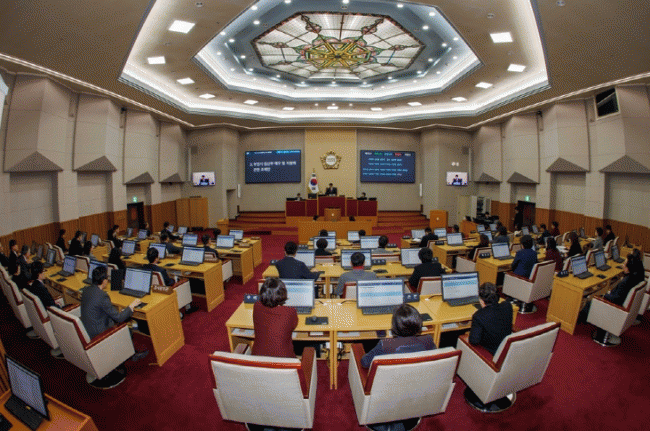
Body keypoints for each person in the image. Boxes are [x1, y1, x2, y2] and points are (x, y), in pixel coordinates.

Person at [80, 266, 148, 359]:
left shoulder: (86, 290)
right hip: (99, 333)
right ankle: (131, 355)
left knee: (120, 313)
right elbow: (119, 318)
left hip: (88, 328)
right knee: (127, 327)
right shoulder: (102, 296)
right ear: (104, 281)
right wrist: (132, 305)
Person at [361, 303, 436, 368]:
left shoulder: (385, 344)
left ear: (394, 325)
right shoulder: (428, 340)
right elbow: (435, 361)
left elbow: (364, 362)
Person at [252, 278, 298, 358]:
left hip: (258, 359)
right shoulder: (290, 311)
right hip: (284, 360)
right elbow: (293, 325)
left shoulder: (256, 306)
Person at [469, 283, 513, 355]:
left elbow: (473, 341)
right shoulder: (507, 306)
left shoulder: (478, 316)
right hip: (506, 349)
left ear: (481, 300)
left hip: (489, 354)